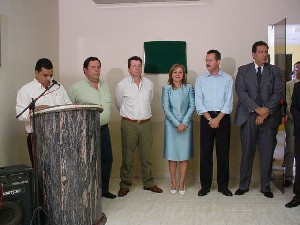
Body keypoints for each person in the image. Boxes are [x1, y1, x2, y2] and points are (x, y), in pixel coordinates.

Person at [234, 41, 284, 198]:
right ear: (253, 54)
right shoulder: (243, 70)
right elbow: (241, 93)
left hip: (268, 119)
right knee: (247, 152)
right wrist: (257, 110)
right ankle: (243, 185)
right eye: (261, 52)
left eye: (266, 52)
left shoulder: (275, 71)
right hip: (248, 117)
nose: (264, 55)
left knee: (267, 153)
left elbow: (278, 94)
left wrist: (265, 112)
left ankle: (266, 187)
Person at [68, 56, 116, 199]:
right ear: (85, 70)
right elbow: (69, 111)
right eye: (93, 67)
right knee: (88, 162)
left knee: (107, 159)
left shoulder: (105, 85)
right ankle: (88, 192)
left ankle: (104, 190)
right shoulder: (76, 88)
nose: (97, 70)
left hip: (104, 129)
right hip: (85, 131)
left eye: (98, 67)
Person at [115, 56, 163, 197]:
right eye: (134, 66)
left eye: (139, 65)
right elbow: (119, 105)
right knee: (127, 157)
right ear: (129, 68)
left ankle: (149, 183)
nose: (137, 68)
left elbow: (150, 100)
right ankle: (125, 185)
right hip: (129, 123)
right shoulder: (121, 85)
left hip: (146, 124)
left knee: (146, 156)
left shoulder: (149, 84)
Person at [16, 58, 71, 167]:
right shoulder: (26, 90)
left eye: (51, 75)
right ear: (36, 72)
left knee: (61, 167)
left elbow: (69, 105)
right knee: (42, 170)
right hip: (38, 138)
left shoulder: (58, 87)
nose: (49, 79)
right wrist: (34, 111)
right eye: (45, 75)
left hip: (60, 135)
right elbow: (20, 115)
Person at [195, 49, 233, 197]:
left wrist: (218, 119)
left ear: (218, 61)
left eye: (210, 60)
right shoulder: (201, 79)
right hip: (206, 119)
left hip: (223, 119)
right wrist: (210, 119)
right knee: (205, 153)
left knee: (223, 153)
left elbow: (229, 101)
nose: (207, 63)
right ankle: (205, 186)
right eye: (206, 60)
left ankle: (223, 186)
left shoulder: (228, 78)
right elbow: (199, 101)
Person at [162, 64, 195, 196]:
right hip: (171, 126)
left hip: (186, 126)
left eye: (180, 72)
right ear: (171, 74)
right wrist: (177, 124)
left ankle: (181, 182)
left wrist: (184, 123)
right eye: (175, 72)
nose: (177, 74)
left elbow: (192, 106)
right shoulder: (166, 89)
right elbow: (166, 108)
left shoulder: (189, 88)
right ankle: (173, 182)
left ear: (183, 74)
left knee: (183, 156)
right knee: (172, 156)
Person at [284, 61, 300, 187]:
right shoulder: (289, 85)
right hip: (292, 120)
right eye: (296, 68)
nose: (298, 71)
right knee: (290, 148)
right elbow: (289, 104)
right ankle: (289, 176)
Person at [285, 79, 300, 208]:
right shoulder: (297, 86)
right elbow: (293, 106)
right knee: (298, 162)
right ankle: (298, 195)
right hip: (299, 128)